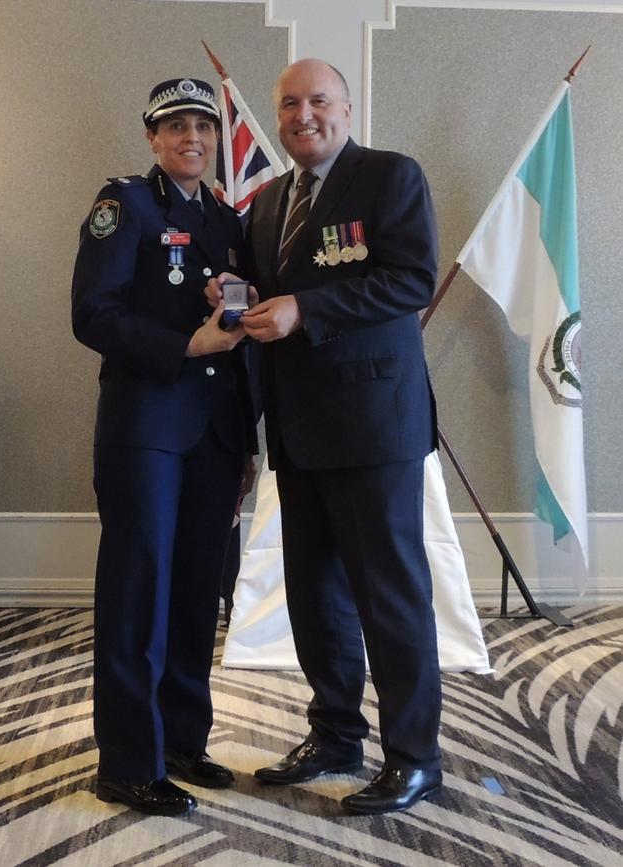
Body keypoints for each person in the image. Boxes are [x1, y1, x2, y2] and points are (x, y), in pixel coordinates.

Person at [208, 58, 442, 815]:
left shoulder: (389, 176)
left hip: (375, 430)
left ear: (345, 106)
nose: (302, 115)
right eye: (289, 105)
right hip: (299, 431)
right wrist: (230, 293)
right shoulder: (270, 201)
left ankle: (415, 756)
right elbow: (262, 289)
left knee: (391, 599)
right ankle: (336, 733)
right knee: (316, 598)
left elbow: (411, 279)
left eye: (317, 101)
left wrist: (306, 310)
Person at [72, 77, 257, 816]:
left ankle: (182, 738)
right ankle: (126, 760)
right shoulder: (126, 204)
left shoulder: (225, 215)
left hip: (215, 431)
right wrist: (185, 340)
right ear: (152, 137)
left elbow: (236, 314)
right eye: (176, 126)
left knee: (194, 593)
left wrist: (232, 306)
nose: (194, 138)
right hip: (145, 428)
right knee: (138, 591)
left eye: (203, 127)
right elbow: (92, 313)